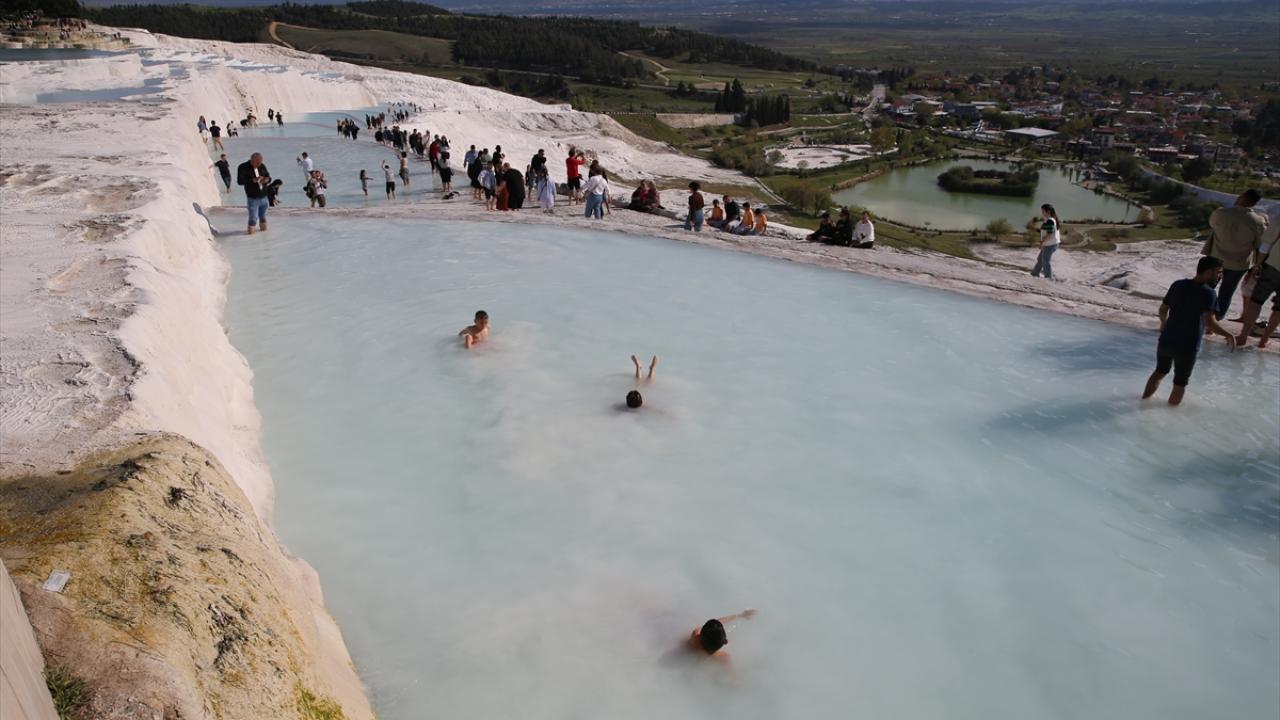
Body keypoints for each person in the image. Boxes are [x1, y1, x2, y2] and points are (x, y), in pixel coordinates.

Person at [1142, 256, 1238, 406]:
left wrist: (1164, 323)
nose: (1220, 276)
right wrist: (1228, 334)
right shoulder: (1209, 293)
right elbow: (1210, 323)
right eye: (1219, 272)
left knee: (1159, 372)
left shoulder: (1177, 285)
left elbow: (1163, 309)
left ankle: (1142, 403)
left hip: (1166, 340)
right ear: (1209, 272)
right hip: (1187, 346)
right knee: (1180, 383)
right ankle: (1171, 414)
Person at [1206, 189, 1267, 320]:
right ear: (1255, 203)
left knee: (1207, 287)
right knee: (1226, 292)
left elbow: (1212, 225)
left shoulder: (1221, 213)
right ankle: (1216, 319)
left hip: (1216, 258)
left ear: (1242, 196)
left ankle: (1200, 314)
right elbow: (1259, 243)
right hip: (1239, 263)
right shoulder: (1258, 221)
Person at [1234, 226, 1280, 349]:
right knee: (1279, 310)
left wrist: (1258, 264)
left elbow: (1266, 244)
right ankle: (1264, 341)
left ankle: (1243, 337)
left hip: (1273, 266)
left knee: (1256, 302)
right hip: (1274, 266)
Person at [688, 609, 757, 661]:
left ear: (699, 636)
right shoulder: (722, 657)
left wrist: (739, 615)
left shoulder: (695, 636)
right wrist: (740, 615)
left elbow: (718, 622)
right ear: (725, 642)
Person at [236, 152, 271, 235]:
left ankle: (264, 237)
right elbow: (240, 181)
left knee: (263, 217)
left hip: (264, 196)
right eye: (257, 163)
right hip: (253, 198)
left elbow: (268, 177)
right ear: (252, 160)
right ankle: (250, 237)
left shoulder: (262, 166)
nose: (259, 165)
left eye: (260, 163)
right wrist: (253, 180)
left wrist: (266, 180)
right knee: (253, 218)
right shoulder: (243, 167)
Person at [1030, 203, 1061, 279]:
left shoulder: (1050, 220)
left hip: (1050, 244)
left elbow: (1049, 234)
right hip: (1050, 243)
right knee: (1040, 259)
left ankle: (1048, 279)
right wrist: (1034, 227)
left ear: (1048, 212)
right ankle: (1034, 274)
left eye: (1043, 211)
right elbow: (1045, 231)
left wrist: (1042, 243)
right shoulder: (1049, 220)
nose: (1042, 213)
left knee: (1045, 262)